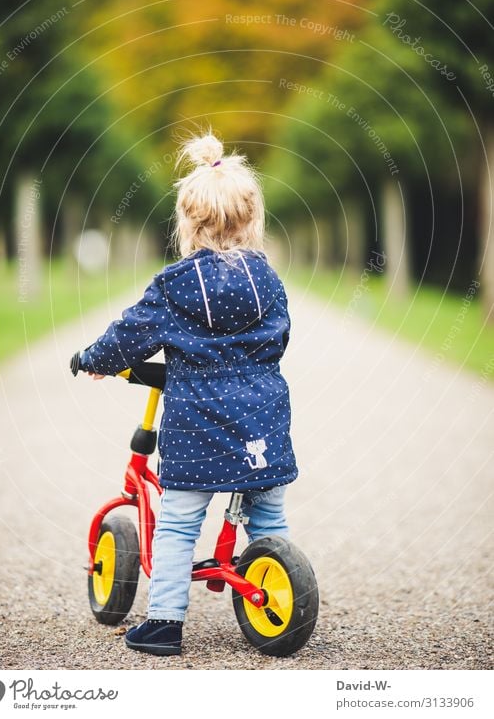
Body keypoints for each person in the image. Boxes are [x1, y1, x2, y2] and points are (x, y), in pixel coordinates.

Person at [76, 131, 298, 656]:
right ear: (252, 220)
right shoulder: (267, 279)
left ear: (187, 222)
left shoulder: (175, 284)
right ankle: (280, 590)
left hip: (197, 427)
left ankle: (164, 624)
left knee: (177, 524)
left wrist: (94, 361)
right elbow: (281, 337)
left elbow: (127, 336)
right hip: (263, 424)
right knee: (269, 518)